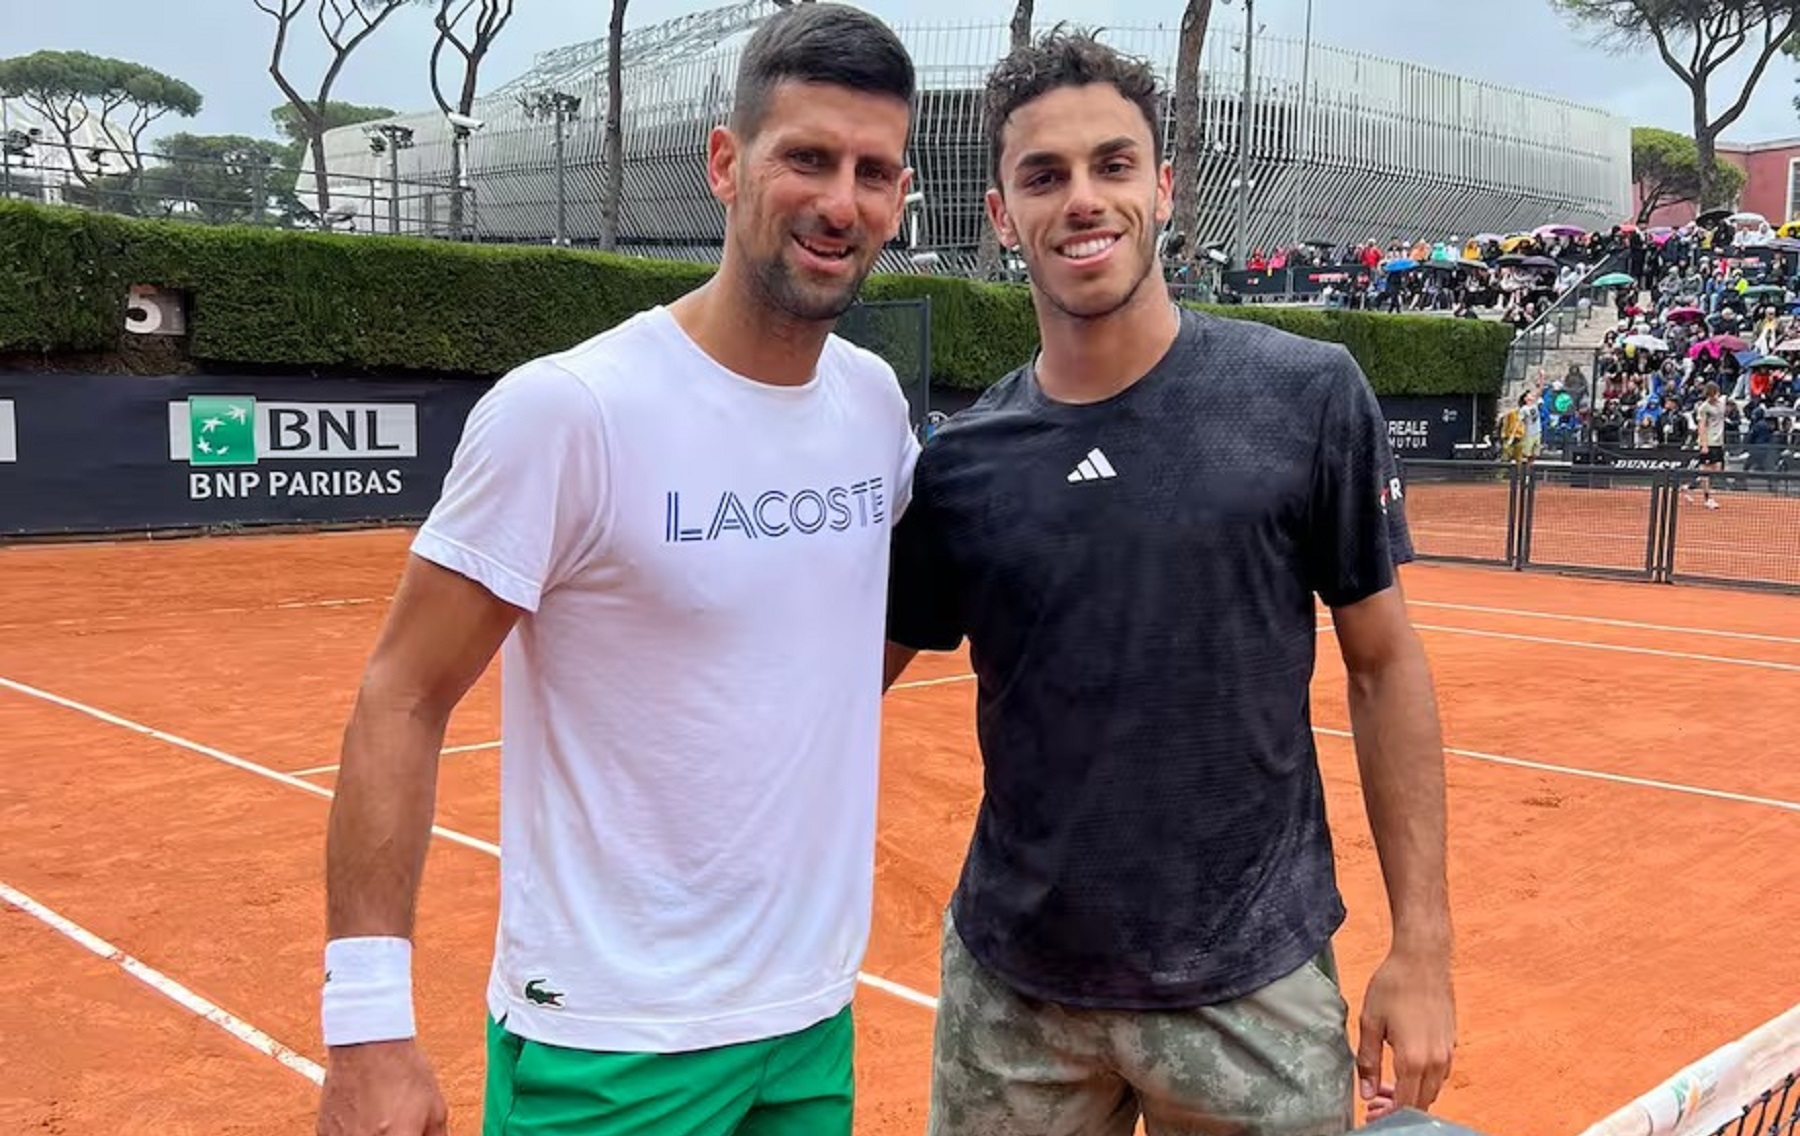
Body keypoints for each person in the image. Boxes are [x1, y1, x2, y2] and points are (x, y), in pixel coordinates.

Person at [312, 6, 919, 1135]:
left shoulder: (874, 409)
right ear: (726, 164)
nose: (842, 202)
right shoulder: (570, 409)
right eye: (808, 158)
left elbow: (849, 643)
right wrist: (367, 1027)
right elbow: (401, 694)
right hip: (608, 1041)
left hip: (808, 1019)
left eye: (874, 171)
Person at [883, 29, 1455, 1136]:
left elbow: (1384, 666)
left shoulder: (1307, 395)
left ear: (1164, 186)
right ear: (1001, 215)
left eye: (1113, 164)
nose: (1082, 199)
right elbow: (835, 682)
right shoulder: (960, 464)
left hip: (1254, 990)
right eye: (1043, 176)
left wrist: (1422, 946)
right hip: (1015, 1005)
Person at [1690, 381, 1726, 509]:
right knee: (1706, 470)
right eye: (1712, 394)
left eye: (1716, 394)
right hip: (1708, 441)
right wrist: (1704, 444)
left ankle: (1690, 485)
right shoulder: (1703, 408)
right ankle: (1707, 498)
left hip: (1718, 442)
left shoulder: (1722, 404)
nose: (1715, 396)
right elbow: (1701, 426)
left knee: (1717, 468)